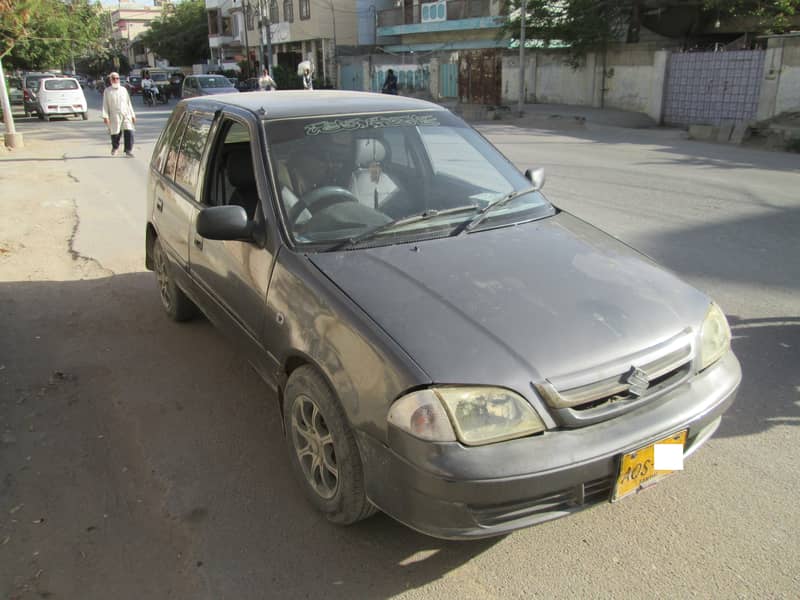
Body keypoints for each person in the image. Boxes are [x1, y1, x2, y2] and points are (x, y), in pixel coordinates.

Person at [102, 72, 137, 157]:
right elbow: (105, 104)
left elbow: (129, 103)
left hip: (126, 114)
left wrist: (133, 115)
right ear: (110, 80)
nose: (116, 80)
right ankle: (115, 147)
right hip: (114, 115)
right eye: (113, 78)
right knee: (115, 133)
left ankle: (128, 150)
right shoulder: (107, 91)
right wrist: (105, 116)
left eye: (117, 78)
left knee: (129, 131)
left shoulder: (123, 90)